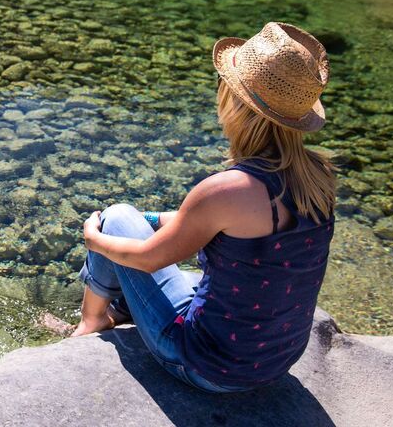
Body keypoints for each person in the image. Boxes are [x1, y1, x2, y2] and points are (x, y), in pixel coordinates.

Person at [42, 22, 336, 393]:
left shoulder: (227, 189)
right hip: (275, 360)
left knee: (115, 218)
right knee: (182, 267)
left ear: (234, 102)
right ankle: (121, 309)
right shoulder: (319, 177)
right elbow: (207, 228)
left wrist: (94, 238)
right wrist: (148, 218)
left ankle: (92, 321)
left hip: (207, 365)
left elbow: (149, 258)